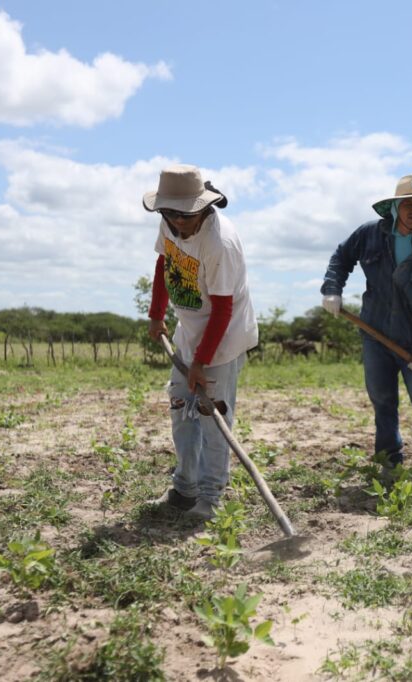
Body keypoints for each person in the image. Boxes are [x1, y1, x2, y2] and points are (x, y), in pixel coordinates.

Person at [320, 174, 412, 485]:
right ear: (395, 207)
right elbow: (341, 258)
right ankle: (389, 460)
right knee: (382, 400)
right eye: (408, 204)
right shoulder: (370, 234)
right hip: (375, 335)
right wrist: (332, 288)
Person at [143, 164, 259, 520]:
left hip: (223, 339)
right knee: (181, 410)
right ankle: (184, 489)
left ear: (203, 207)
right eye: (170, 213)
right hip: (190, 332)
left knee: (213, 417)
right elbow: (165, 265)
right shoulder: (170, 223)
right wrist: (156, 314)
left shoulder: (219, 243)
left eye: (184, 215)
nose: (178, 222)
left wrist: (201, 363)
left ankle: (211, 498)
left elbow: (223, 309)